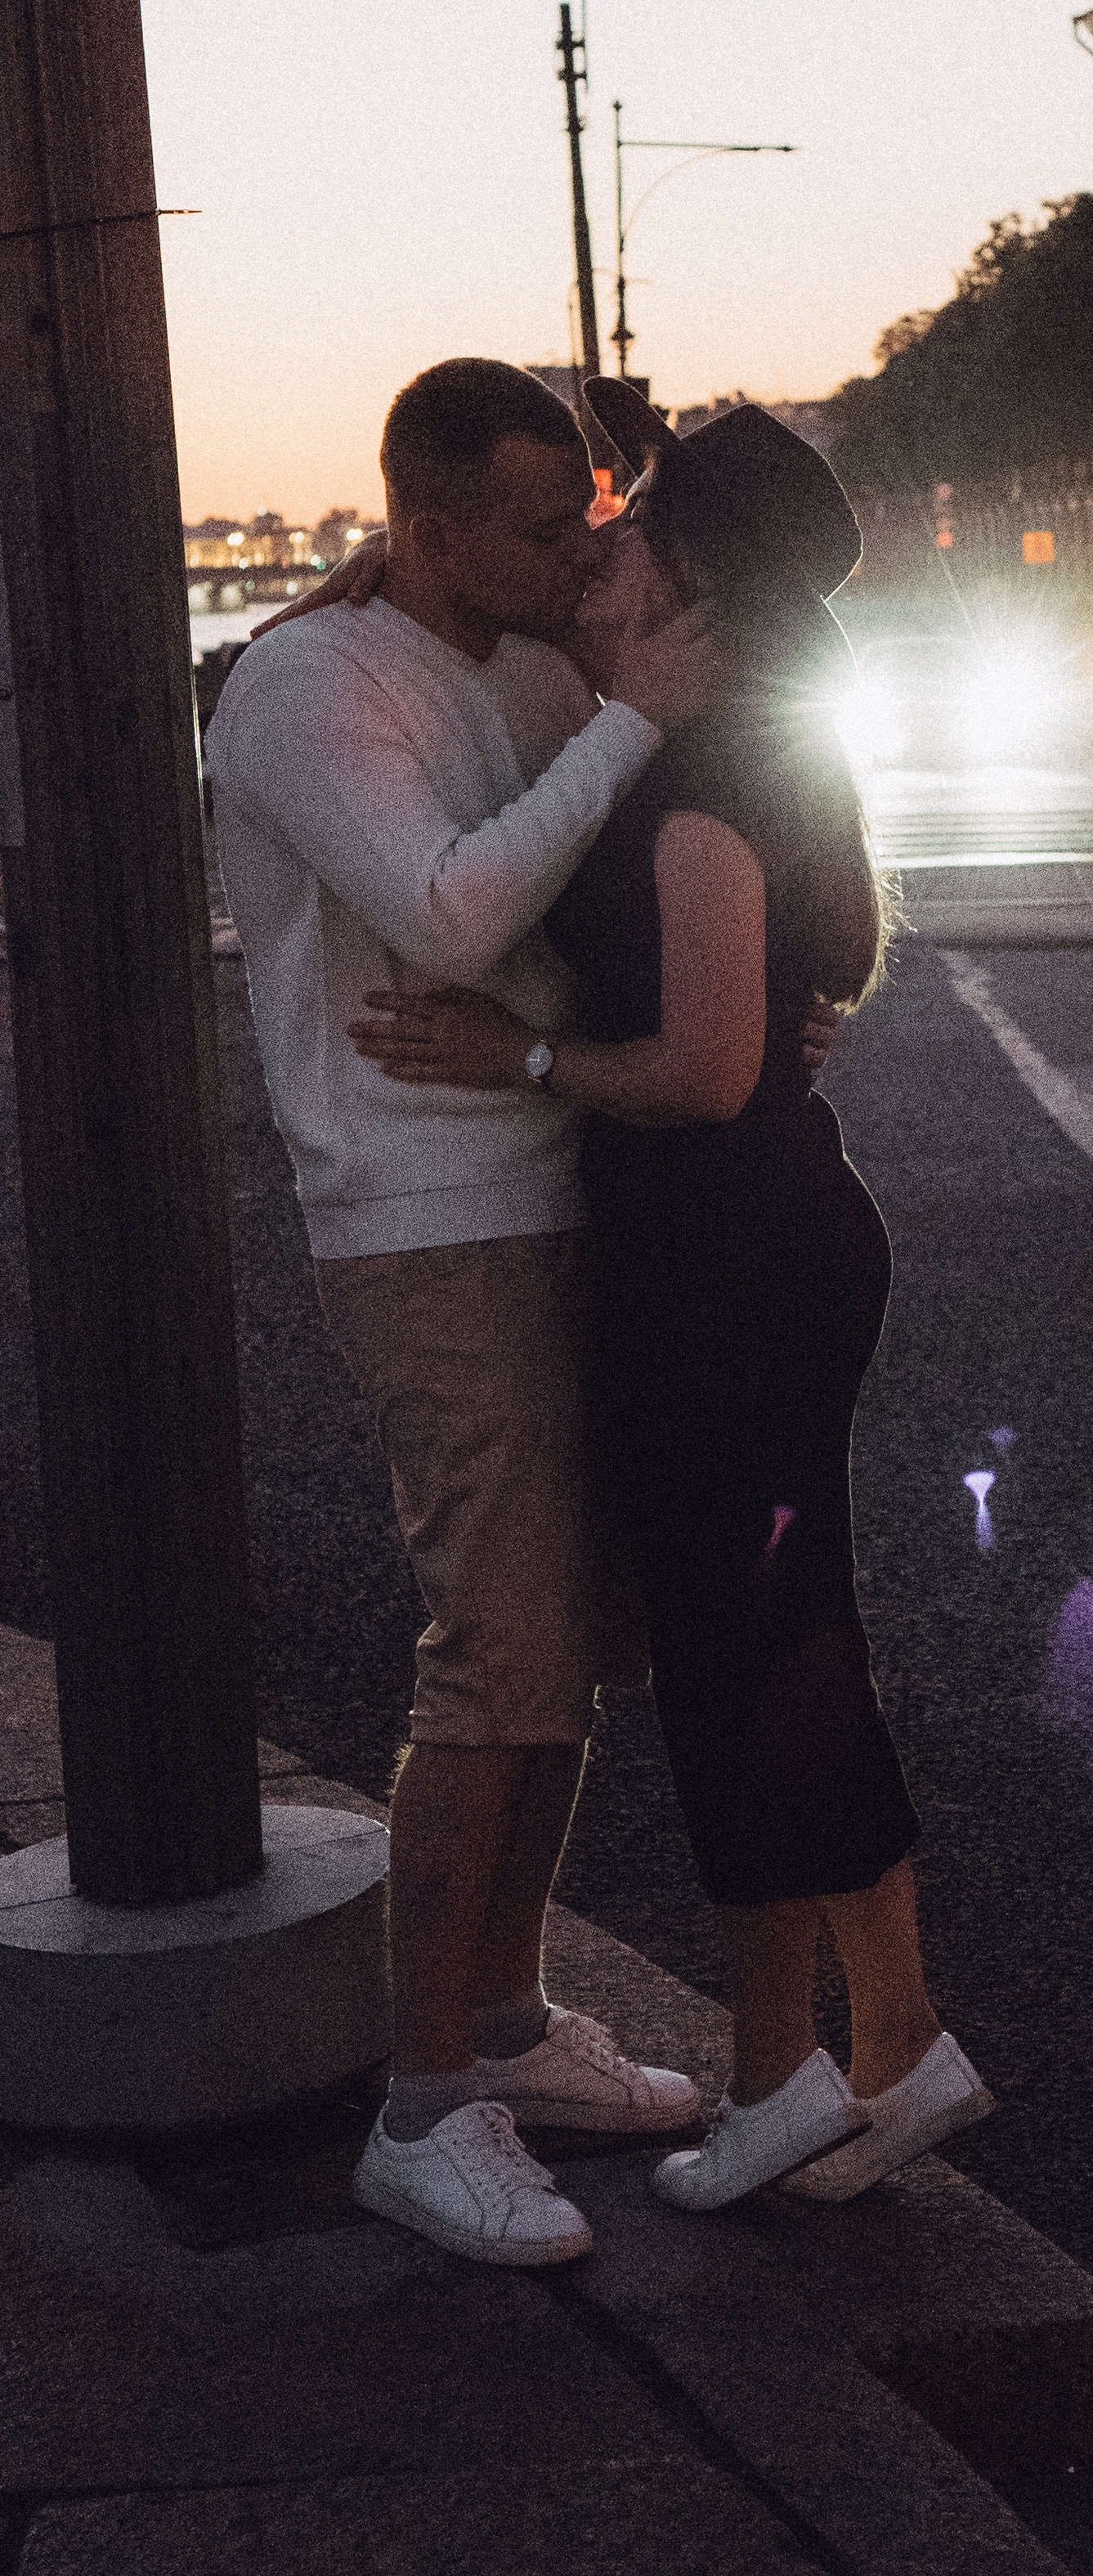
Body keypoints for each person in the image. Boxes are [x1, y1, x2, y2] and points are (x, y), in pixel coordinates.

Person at [350, 386, 992, 2213]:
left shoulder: (700, 784)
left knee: (740, 1660)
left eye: (625, 524)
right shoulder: (725, 747)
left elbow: (706, 1072)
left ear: (689, 576)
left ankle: (800, 2073)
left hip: (719, 1256)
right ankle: (881, 2046)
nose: (595, 542)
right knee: (785, 1641)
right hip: (760, 1243)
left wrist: (526, 1054)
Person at [208, 358, 723, 2272]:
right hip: (422, 1221)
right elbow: (444, 910)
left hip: (552, 1178)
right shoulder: (305, 687)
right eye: (531, 523)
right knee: (490, 1650)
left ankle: (503, 2020)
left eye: (586, 518)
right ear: (422, 522)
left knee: (568, 1642)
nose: (566, 552)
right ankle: (422, 2101)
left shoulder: (515, 659)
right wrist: (634, 719)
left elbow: (577, 918)